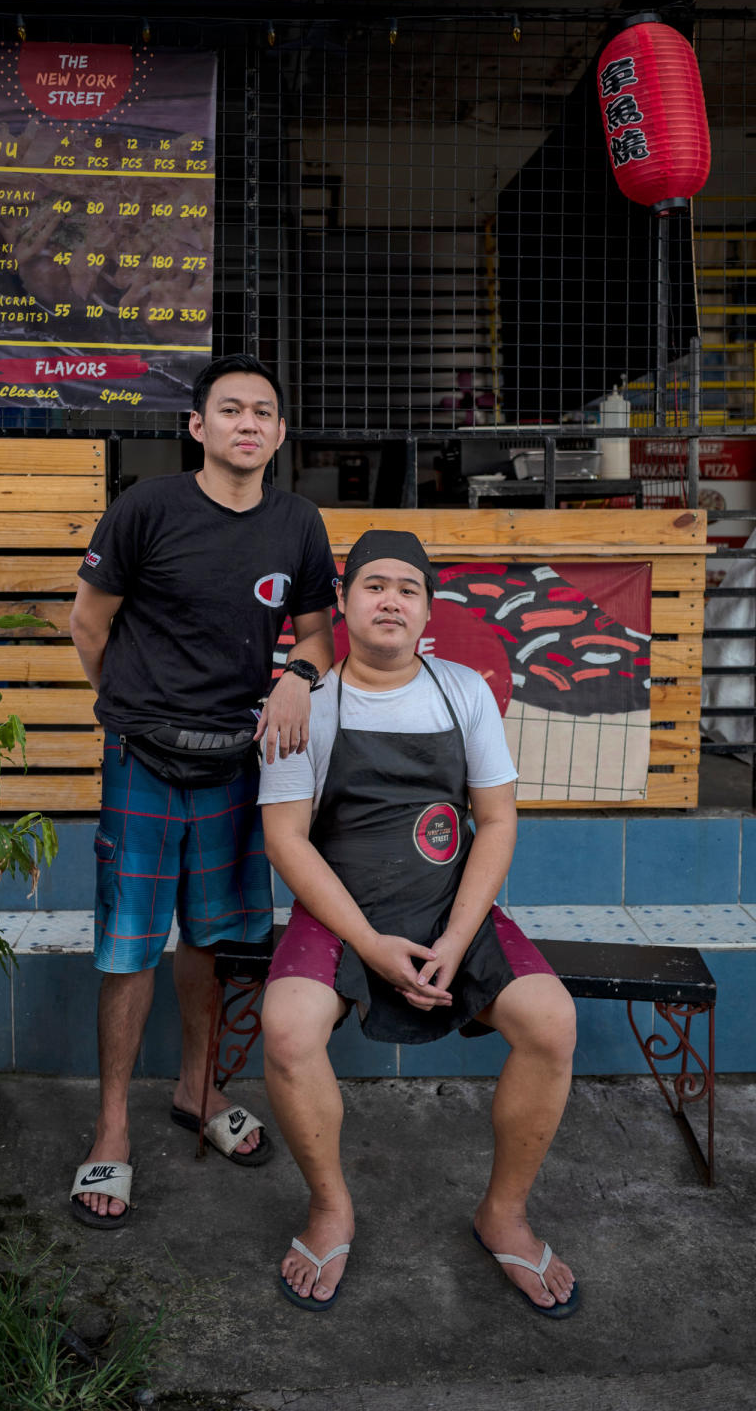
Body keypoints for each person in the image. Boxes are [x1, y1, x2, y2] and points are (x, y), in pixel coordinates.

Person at [257, 529, 579, 1316]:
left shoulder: (463, 690)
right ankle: (331, 1206)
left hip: (447, 909)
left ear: (428, 610)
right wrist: (367, 943)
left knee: (552, 1020)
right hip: (344, 916)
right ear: (343, 604)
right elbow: (286, 840)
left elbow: (496, 824)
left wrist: (457, 939)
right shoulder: (306, 704)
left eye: (408, 587)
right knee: (288, 1027)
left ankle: (502, 1211)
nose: (391, 599)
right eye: (374, 585)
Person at [69, 353, 336, 1226]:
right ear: (198, 427)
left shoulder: (297, 524)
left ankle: (198, 1089)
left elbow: (317, 635)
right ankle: (111, 1130)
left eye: (264, 411)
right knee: (127, 948)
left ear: (280, 433)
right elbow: (89, 622)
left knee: (212, 941)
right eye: (230, 410)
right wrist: (133, 709)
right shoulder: (147, 508)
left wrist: (298, 672)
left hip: (235, 765)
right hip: (143, 762)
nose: (247, 423)